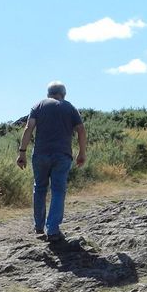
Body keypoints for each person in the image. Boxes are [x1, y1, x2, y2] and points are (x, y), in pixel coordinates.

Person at [16, 81, 87, 242]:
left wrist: (22, 152)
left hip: (40, 154)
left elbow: (29, 128)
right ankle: (53, 229)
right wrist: (82, 152)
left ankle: (39, 226)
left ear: (49, 94)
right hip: (62, 155)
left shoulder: (38, 105)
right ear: (64, 94)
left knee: (39, 188)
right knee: (58, 190)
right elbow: (81, 130)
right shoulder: (70, 107)